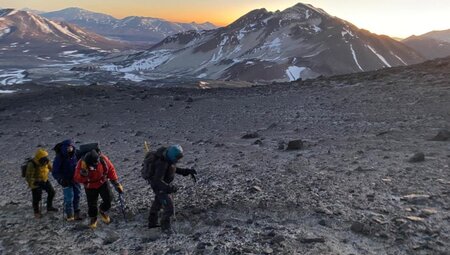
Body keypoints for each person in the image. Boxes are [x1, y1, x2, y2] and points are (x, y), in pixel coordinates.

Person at [147, 144, 197, 233]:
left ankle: (152, 223)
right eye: (177, 157)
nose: (178, 160)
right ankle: (166, 228)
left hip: (162, 186)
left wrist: (186, 171)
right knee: (169, 208)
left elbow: (174, 169)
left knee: (158, 202)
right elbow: (157, 180)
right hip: (159, 187)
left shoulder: (168, 161)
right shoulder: (162, 164)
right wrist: (168, 188)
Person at [74, 149, 123, 229]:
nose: (95, 166)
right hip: (90, 186)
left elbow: (111, 169)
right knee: (92, 204)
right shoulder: (81, 164)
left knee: (109, 199)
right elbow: (76, 178)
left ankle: (102, 210)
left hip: (102, 182)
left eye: (97, 163)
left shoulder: (103, 159)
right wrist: (82, 175)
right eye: (93, 165)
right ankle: (93, 219)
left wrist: (116, 183)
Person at [52, 139, 82, 221]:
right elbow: (55, 171)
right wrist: (60, 180)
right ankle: (69, 215)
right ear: (64, 148)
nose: (70, 149)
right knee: (69, 198)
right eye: (68, 147)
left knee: (77, 196)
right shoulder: (60, 157)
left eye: (71, 147)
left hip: (75, 179)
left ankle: (76, 213)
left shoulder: (76, 154)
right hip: (65, 181)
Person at [25, 148, 58, 218]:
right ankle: (36, 212)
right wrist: (33, 184)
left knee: (52, 192)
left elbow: (51, 169)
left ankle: (49, 207)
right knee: (36, 197)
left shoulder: (46, 161)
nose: (45, 162)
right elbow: (28, 176)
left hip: (44, 180)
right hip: (35, 182)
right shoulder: (32, 164)